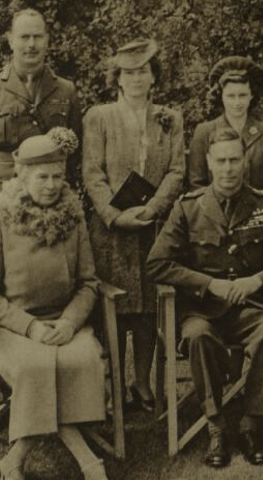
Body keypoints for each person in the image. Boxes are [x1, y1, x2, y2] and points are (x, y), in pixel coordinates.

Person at [146, 127, 263, 468]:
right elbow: (157, 264)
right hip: (202, 311)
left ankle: (253, 421)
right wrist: (207, 283)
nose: (228, 168)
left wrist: (258, 280)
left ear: (245, 160)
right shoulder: (187, 208)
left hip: (252, 307)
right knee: (196, 336)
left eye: (234, 159)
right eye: (220, 160)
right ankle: (215, 423)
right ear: (208, 162)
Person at [0, 128, 109, 480]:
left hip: (62, 323)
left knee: (83, 358)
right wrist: (29, 327)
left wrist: (69, 323)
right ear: (22, 175)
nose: (51, 184)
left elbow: (88, 283)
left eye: (58, 176)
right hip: (8, 328)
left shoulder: (73, 216)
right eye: (42, 177)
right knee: (35, 366)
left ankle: (13, 460)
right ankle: (88, 460)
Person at [82, 39, 184, 411]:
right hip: (110, 232)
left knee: (147, 308)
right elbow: (92, 173)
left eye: (144, 71)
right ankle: (110, 388)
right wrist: (115, 215)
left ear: (154, 76)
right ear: (118, 79)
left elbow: (176, 171)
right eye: (129, 72)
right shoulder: (99, 116)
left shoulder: (171, 118)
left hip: (152, 229)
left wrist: (154, 209)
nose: (137, 78)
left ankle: (142, 383)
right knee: (113, 306)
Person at [0, 8, 82, 230]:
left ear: (47, 40)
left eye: (37, 37)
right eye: (24, 37)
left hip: (50, 201)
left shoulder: (65, 90)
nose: (31, 44)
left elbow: (74, 151)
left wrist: (54, 186)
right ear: (11, 41)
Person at [187, 56, 263, 195]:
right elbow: (196, 184)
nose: (237, 102)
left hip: (257, 213)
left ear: (251, 95)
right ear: (221, 96)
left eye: (242, 95)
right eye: (231, 96)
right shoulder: (204, 132)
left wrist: (261, 210)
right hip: (215, 213)